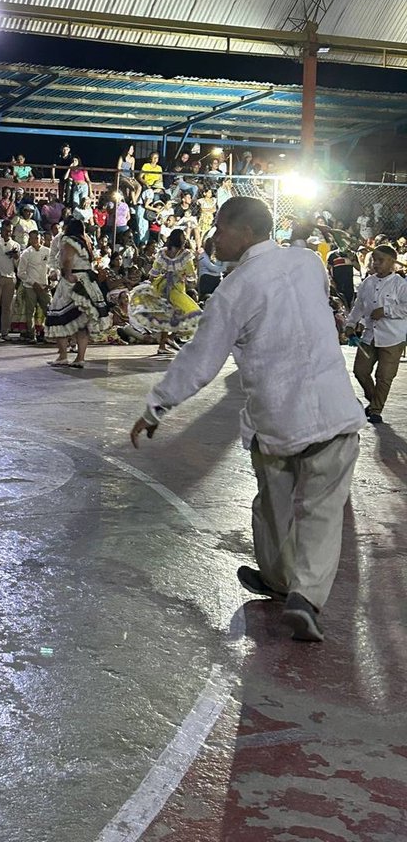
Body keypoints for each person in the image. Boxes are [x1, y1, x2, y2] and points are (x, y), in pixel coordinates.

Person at [130, 197, 366, 644]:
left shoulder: (233, 291)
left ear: (248, 231)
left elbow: (200, 360)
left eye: (220, 228)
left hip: (277, 420)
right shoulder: (307, 265)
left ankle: (281, 581)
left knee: (273, 508)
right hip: (335, 412)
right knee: (322, 513)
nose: (213, 237)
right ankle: (304, 597)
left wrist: (156, 406)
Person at [344, 244, 407, 424]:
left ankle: (376, 410)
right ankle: (374, 403)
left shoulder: (400, 284)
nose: (376, 263)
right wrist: (350, 323)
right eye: (374, 260)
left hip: (393, 337)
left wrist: (385, 311)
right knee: (360, 371)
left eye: (381, 260)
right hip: (369, 335)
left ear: (392, 262)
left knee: (384, 376)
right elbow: (359, 306)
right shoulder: (368, 282)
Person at [44, 218, 111, 368]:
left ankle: (63, 356)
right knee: (82, 322)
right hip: (87, 280)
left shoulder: (68, 240)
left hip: (72, 281)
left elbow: (67, 259)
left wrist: (66, 274)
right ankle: (80, 358)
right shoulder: (85, 241)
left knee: (59, 317)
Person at [128, 229, 201, 356]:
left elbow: (153, 274)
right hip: (176, 289)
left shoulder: (162, 253)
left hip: (161, 287)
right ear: (180, 239)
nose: (185, 239)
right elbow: (191, 276)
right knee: (192, 314)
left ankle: (163, 345)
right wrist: (186, 275)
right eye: (184, 237)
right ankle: (171, 337)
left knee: (167, 316)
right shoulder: (185, 255)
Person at [18, 230, 51, 343]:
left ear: (41, 238)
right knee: (30, 311)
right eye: (32, 238)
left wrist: (51, 282)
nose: (35, 240)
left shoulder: (47, 251)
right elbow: (21, 272)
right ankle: (32, 335)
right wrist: (33, 283)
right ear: (29, 239)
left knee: (49, 310)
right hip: (30, 286)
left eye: (37, 238)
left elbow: (52, 268)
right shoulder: (26, 253)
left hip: (44, 285)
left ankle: (49, 334)